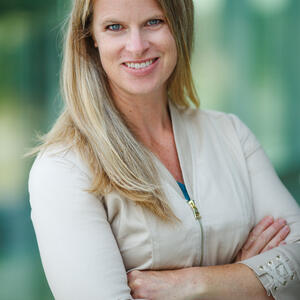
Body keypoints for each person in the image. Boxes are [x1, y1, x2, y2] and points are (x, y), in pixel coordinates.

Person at [28, 0, 300, 299]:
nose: (137, 46)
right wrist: (251, 282)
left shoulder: (230, 133)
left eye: (154, 22)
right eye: (115, 27)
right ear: (91, 37)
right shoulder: (63, 167)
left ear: (178, 26)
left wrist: (192, 284)